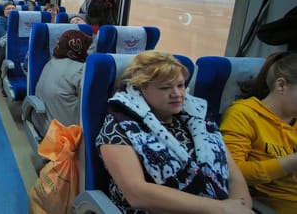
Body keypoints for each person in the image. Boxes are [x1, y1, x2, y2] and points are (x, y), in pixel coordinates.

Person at [96, 51, 253, 214]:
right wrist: (221, 209)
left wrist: (241, 205)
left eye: (180, 85)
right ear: (141, 88)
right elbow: (137, 193)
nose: (177, 94)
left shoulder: (198, 119)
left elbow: (231, 173)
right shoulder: (119, 126)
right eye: (165, 88)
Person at [220, 52, 297, 214]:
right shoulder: (244, 114)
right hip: (271, 205)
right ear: (281, 85)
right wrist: (291, 162)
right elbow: (232, 173)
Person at [31, 30, 93, 136]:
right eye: (89, 48)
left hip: (42, 123)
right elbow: (92, 102)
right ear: (80, 48)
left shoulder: (51, 62)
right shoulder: (80, 70)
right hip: (65, 135)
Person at [0, 2, 16, 70]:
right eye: (8, 9)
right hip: (0, 47)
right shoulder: (0, 20)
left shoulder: (19, 21)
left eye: (13, 8)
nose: (11, 10)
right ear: (4, 11)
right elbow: (4, 36)